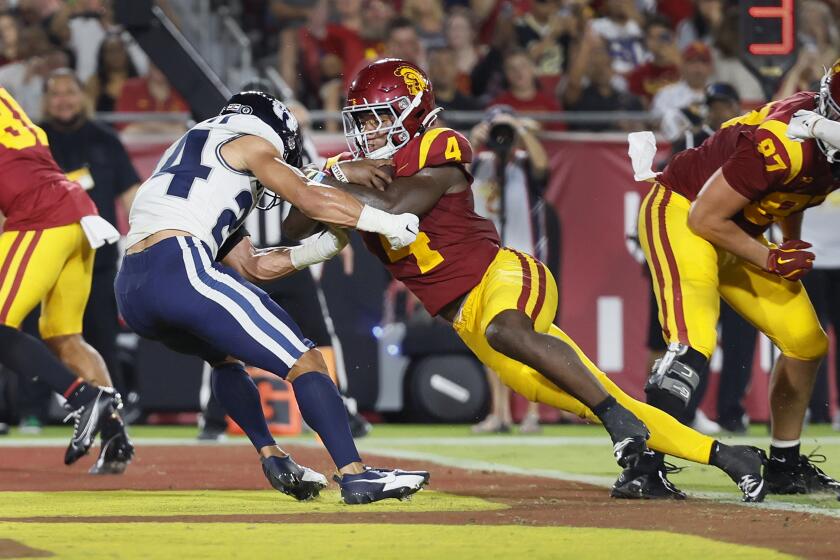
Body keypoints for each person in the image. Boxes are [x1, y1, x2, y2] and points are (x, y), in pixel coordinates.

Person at [285, 58, 767, 502]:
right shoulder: (353, 174)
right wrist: (324, 176)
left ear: (412, 112)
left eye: (378, 116)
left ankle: (619, 424)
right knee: (592, 391)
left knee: (511, 332)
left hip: (505, 277)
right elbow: (293, 226)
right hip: (467, 321)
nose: (367, 129)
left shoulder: (438, 145)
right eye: (362, 119)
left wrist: (323, 180)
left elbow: (393, 206)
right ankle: (729, 458)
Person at [115, 90, 428, 504]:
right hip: (180, 264)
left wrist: (314, 251)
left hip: (132, 286)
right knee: (305, 360)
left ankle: (273, 455)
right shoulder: (253, 143)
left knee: (223, 359)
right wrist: (385, 222)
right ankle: (355, 475)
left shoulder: (196, 149)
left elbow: (251, 266)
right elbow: (309, 196)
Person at [627, 60, 840, 497]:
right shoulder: (785, 144)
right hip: (681, 213)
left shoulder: (819, 144)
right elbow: (705, 217)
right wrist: (771, 258)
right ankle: (641, 468)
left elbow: (796, 192)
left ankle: (785, 464)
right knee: (693, 342)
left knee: (806, 343)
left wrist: (786, 243)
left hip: (736, 231)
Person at [0, 86, 127, 468]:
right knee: (65, 338)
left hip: (41, 217)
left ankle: (83, 397)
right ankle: (115, 439)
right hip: (77, 213)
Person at [41, 68, 140, 400]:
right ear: (45, 100)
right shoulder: (34, 140)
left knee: (102, 338)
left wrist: (145, 240)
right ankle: (28, 412)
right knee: (37, 337)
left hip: (96, 261)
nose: (63, 100)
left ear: (82, 96)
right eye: (56, 93)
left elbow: (132, 196)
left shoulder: (105, 138)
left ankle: (113, 407)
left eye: (70, 92)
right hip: (42, 263)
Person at [468, 105, 552, 434]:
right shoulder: (479, 163)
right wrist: (476, 139)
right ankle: (499, 413)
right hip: (486, 259)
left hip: (524, 259)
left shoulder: (525, 163)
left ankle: (531, 414)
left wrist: (518, 129)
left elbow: (543, 166)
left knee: (527, 338)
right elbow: (456, 170)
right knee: (488, 337)